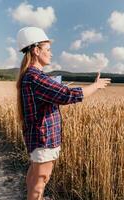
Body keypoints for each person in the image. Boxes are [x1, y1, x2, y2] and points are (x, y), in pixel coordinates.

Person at [16, 27, 111, 200]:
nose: (51, 54)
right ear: (36, 51)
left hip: (37, 137)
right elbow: (68, 96)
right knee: (40, 183)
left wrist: (57, 88)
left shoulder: (30, 76)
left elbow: (54, 95)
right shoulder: (35, 77)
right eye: (48, 49)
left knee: (34, 179)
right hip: (44, 139)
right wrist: (95, 86)